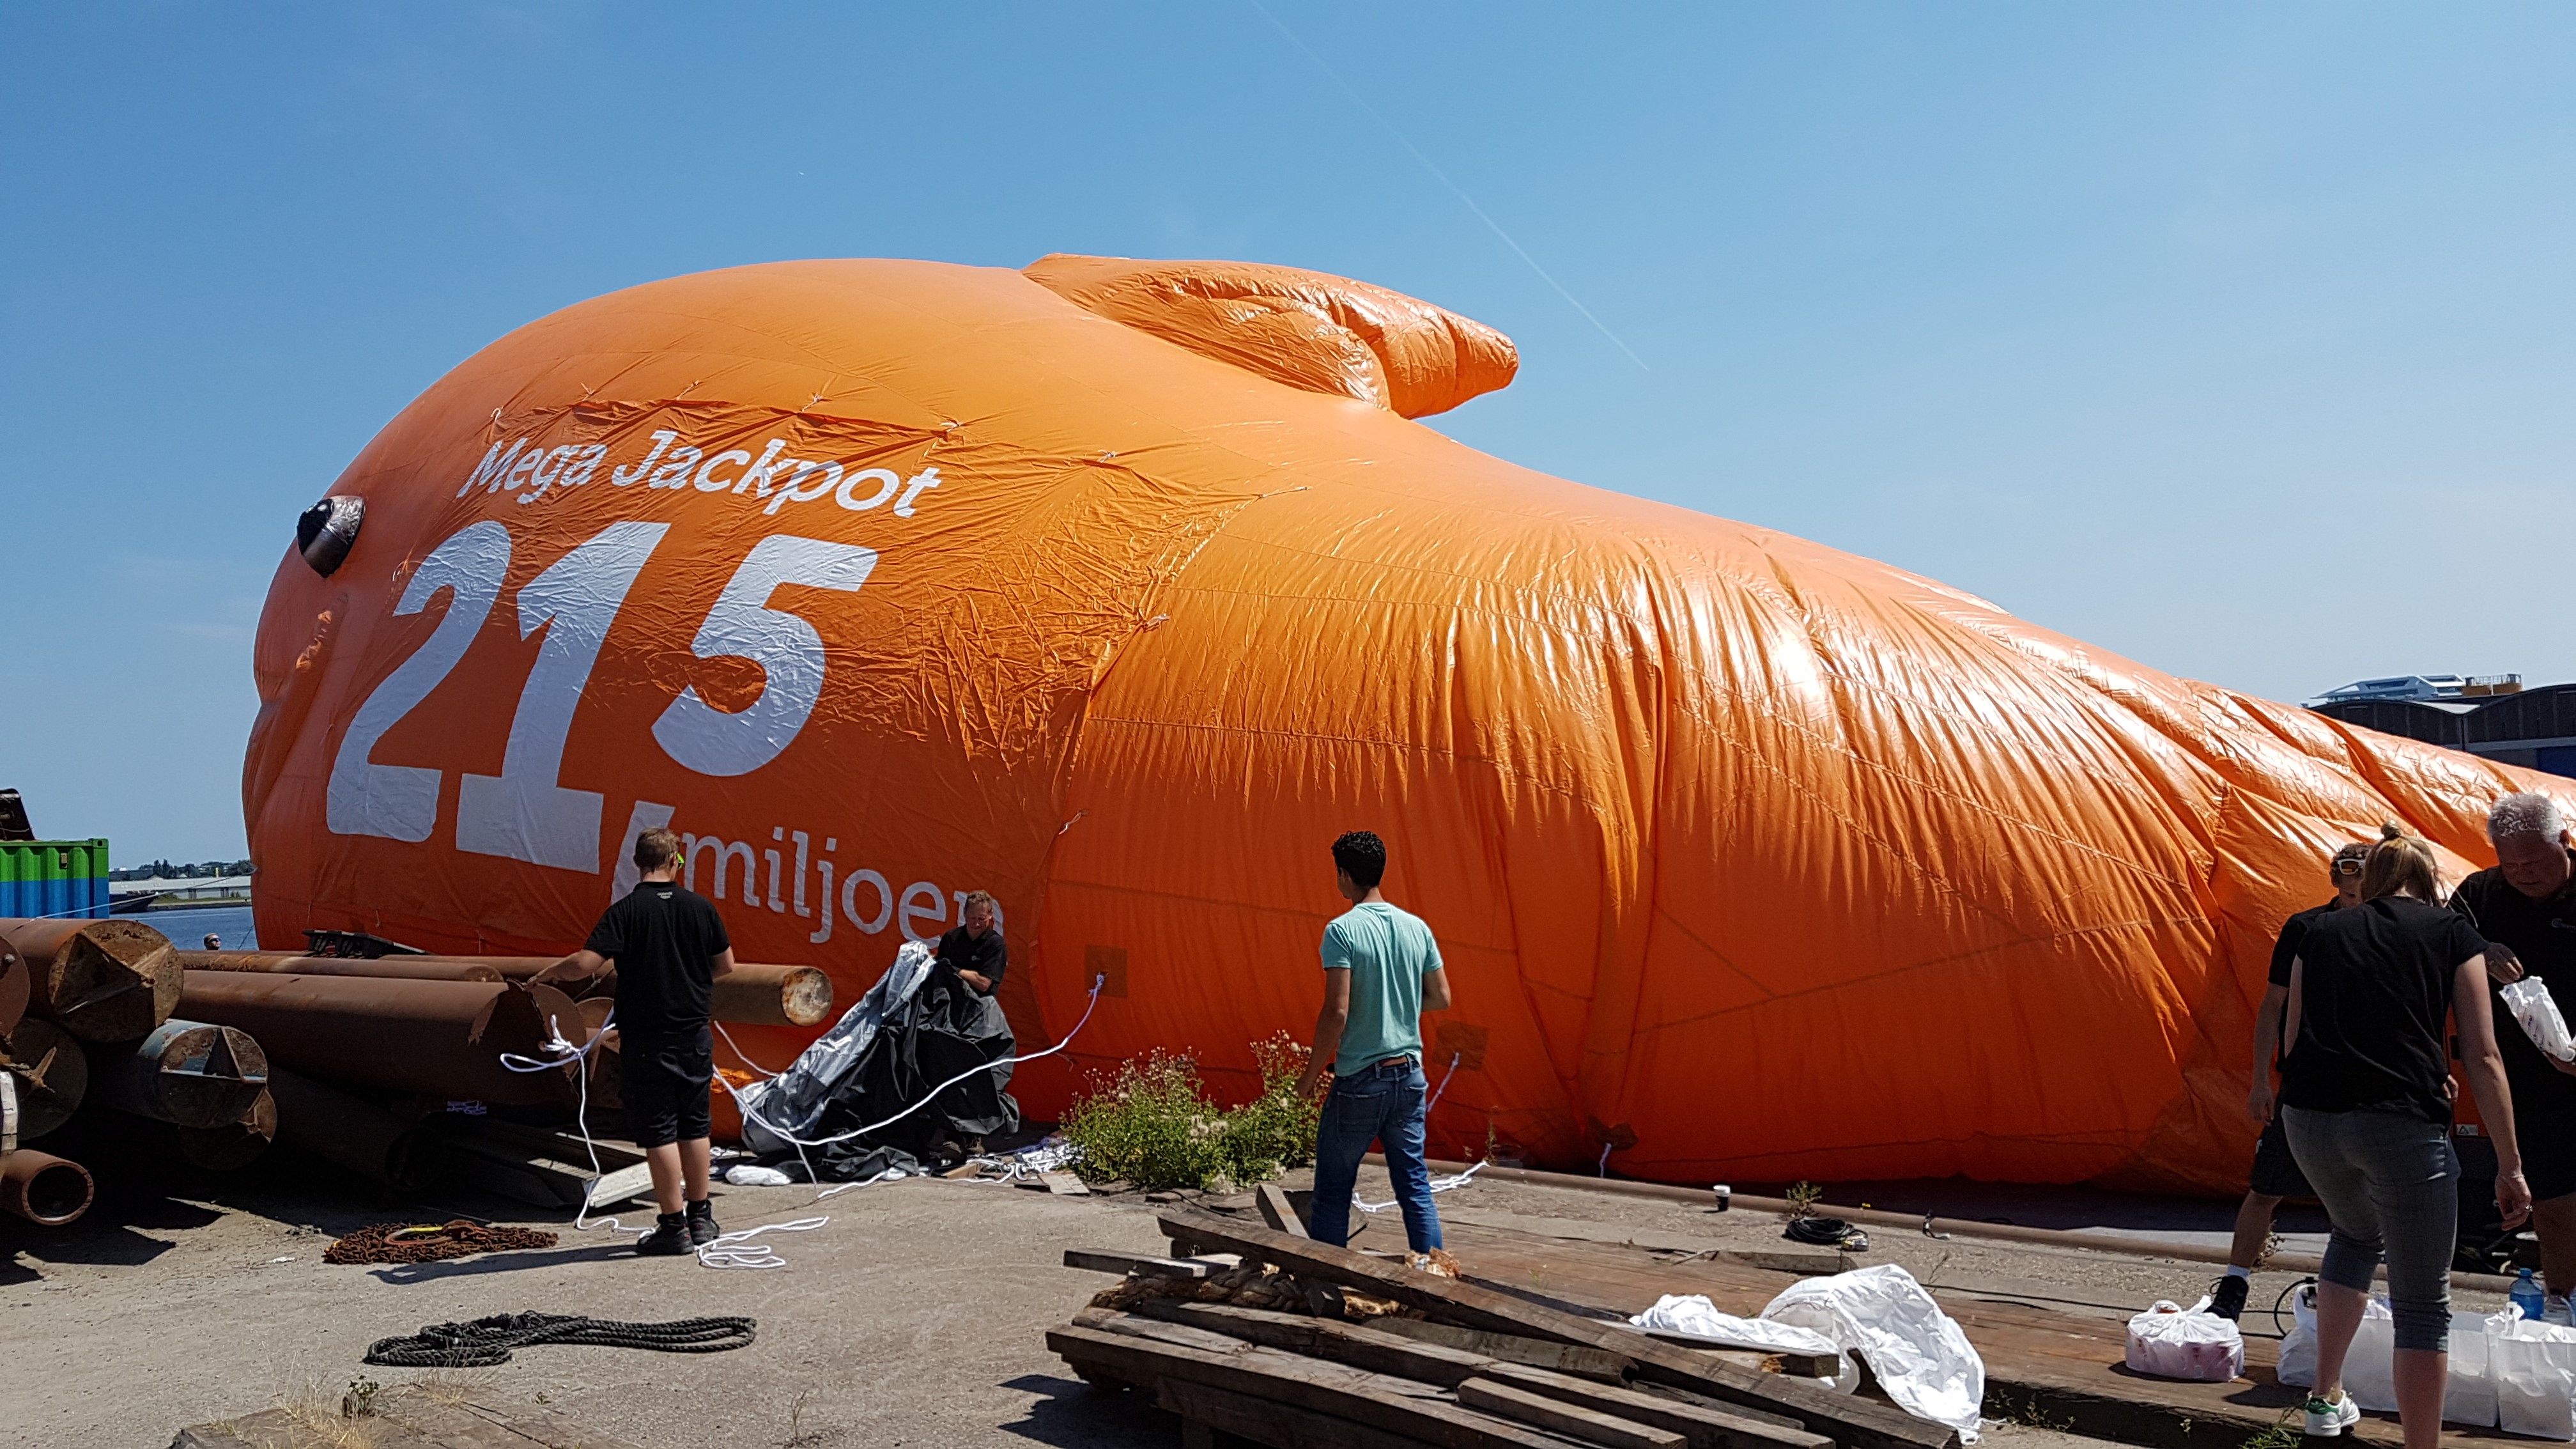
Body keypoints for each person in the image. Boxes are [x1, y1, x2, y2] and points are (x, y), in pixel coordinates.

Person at [2278, 825, 2530, 1443]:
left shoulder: (2317, 929)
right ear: (2429, 884)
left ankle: (2323, 1397)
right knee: (2421, 1303)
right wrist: (2508, 1162)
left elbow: (2293, 1040)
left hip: (2308, 1120)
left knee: (2354, 1232)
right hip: (2396, 1126)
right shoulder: (2451, 933)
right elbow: (2482, 1052)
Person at [533, 827, 736, 1257]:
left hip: (647, 1038)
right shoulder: (701, 908)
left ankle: (672, 1225)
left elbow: (586, 964)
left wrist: (550, 972)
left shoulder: (625, 911)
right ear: (677, 861)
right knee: (694, 1125)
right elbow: (726, 965)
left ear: (636, 862)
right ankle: (702, 1216)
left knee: (659, 1131)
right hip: (694, 1033)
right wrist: (687, 980)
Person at [2219, 841, 2372, 1320]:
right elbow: (2271, 1005)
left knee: (2365, 1193)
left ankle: (2350, 1294)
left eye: (2368, 868)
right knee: (2265, 1186)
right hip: (2304, 1082)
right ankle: (2234, 1285)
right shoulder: (2305, 927)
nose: (2357, 877)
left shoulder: (2389, 931)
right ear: (2335, 877)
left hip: (2370, 1082)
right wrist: (2259, 1080)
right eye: (2349, 867)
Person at [1293, 830, 1453, 1255]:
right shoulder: (1415, 927)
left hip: (1361, 1079)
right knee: (1414, 1185)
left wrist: (1309, 1076)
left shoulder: (1341, 931)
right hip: (1409, 1076)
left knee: (1333, 1188)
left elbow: (1337, 1012)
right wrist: (1394, 1000)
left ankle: (1326, 1283)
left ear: (1344, 875)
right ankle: (1435, 1278)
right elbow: (1440, 996)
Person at [2452, 791, 2576, 1321]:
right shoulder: (2480, 895)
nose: (2522, 873)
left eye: (2534, 861)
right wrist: (2476, 946)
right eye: (2510, 863)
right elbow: (2435, 933)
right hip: (2528, 1084)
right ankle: (2560, 1303)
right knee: (2552, 1205)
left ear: (2564, 842)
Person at [932, 891, 1005, 996]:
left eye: (981, 919)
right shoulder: (951, 937)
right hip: (947, 1001)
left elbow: (984, 984)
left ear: (990, 915)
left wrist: (954, 970)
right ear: (964, 913)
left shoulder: (996, 944)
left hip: (978, 1006)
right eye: (972, 918)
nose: (976, 924)